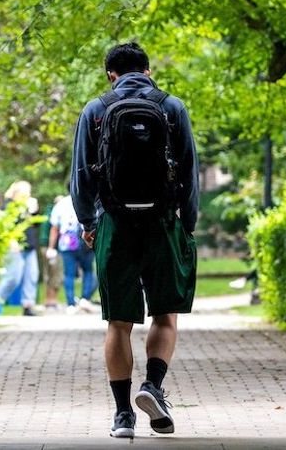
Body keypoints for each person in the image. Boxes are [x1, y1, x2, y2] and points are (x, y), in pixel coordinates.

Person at [71, 41, 199, 439]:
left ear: (110, 74)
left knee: (118, 322)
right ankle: (154, 386)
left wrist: (89, 223)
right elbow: (191, 171)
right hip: (161, 221)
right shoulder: (172, 106)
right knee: (165, 314)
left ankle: (123, 416)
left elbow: (81, 176)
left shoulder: (96, 109)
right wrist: (187, 225)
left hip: (114, 222)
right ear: (148, 69)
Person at [0, 180, 41, 316]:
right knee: (12, 278)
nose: (28, 195)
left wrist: (34, 211)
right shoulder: (7, 207)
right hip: (14, 248)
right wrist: (11, 241)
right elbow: (3, 227)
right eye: (25, 192)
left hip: (29, 247)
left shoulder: (28, 206)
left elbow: (36, 225)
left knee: (31, 276)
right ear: (16, 193)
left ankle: (28, 306)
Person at [47, 193, 96, 313]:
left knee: (68, 274)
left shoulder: (60, 204)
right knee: (88, 270)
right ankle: (85, 298)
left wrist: (51, 247)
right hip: (86, 240)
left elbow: (54, 228)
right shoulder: (89, 199)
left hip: (67, 242)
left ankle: (70, 304)